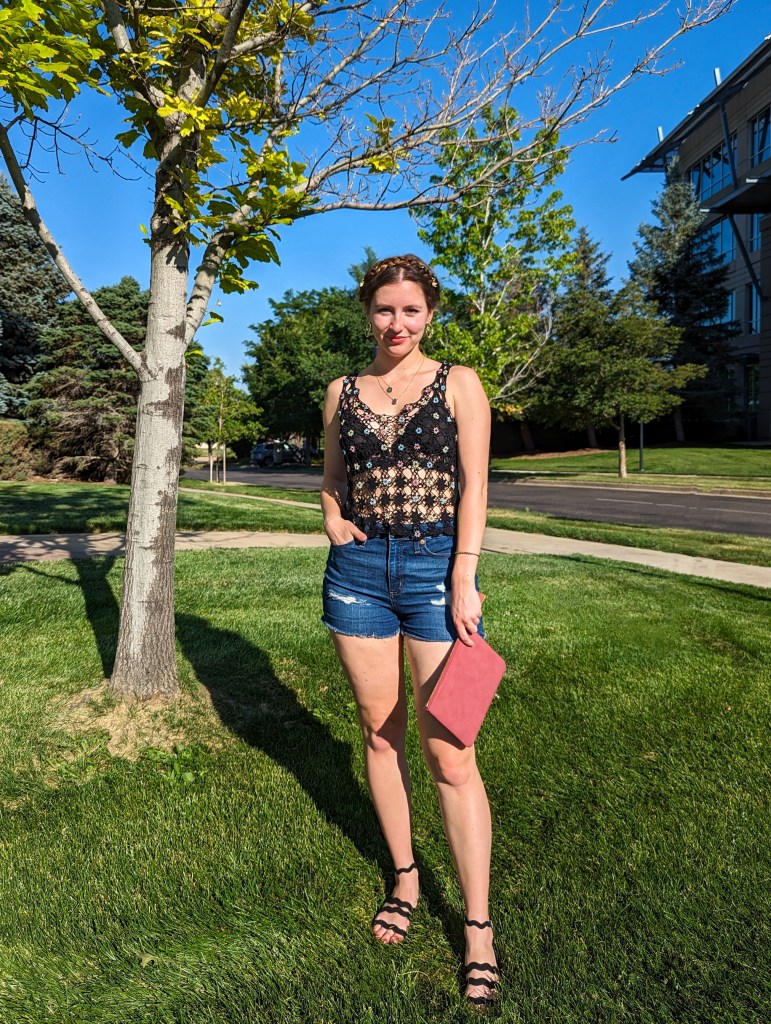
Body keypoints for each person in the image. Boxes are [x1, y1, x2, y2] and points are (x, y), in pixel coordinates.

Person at [320, 254, 499, 1008]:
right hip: (357, 578)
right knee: (378, 731)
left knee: (450, 751)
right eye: (385, 310)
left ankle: (479, 928)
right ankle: (404, 877)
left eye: (411, 311)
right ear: (368, 311)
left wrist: (463, 575)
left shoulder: (458, 382)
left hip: (432, 573)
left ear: (430, 314)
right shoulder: (339, 390)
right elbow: (331, 477)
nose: (397, 323)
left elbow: (476, 486)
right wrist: (333, 520)